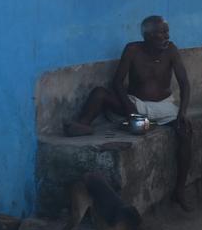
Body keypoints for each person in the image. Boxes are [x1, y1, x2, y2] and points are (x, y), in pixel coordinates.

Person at [65, 15, 194, 209]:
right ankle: (84, 124)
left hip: (164, 107)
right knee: (99, 94)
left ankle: (180, 190)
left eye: (167, 31)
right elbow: (116, 82)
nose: (166, 36)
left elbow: (184, 83)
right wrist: (132, 110)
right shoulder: (133, 50)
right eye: (161, 32)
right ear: (148, 35)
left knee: (186, 133)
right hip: (136, 103)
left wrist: (182, 113)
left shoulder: (171, 50)